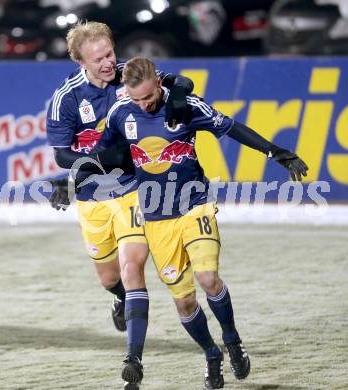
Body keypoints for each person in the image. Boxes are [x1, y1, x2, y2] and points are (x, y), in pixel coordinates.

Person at [94, 57, 308, 389]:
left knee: (208, 278)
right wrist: (74, 177)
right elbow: (101, 155)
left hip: (196, 206)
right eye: (136, 99)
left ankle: (232, 339)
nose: (144, 105)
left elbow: (232, 127)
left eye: (148, 97)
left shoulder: (186, 106)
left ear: (158, 83)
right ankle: (211, 354)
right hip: (156, 219)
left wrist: (274, 151)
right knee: (185, 302)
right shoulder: (122, 114)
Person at [45, 22, 193, 388]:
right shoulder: (66, 99)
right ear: (80, 61)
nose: (110, 63)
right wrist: (98, 159)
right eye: (99, 59)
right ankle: (121, 299)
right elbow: (63, 156)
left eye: (110, 53)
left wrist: (176, 96)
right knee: (109, 277)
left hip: (132, 189)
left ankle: (133, 360)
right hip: (92, 197)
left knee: (132, 267)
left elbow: (182, 82)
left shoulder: (131, 75)